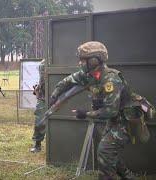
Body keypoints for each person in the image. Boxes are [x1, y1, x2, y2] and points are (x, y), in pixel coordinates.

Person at [48, 41, 154, 179]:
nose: (79, 63)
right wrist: (55, 95)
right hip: (114, 118)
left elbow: (110, 111)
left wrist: (85, 114)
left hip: (126, 119)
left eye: (82, 60)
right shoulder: (88, 74)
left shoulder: (111, 79)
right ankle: (128, 176)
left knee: (105, 151)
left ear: (93, 61)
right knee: (108, 152)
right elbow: (67, 81)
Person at [30, 59, 47, 153]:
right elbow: (42, 81)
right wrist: (38, 88)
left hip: (56, 96)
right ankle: (37, 144)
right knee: (39, 121)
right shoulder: (43, 63)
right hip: (43, 98)